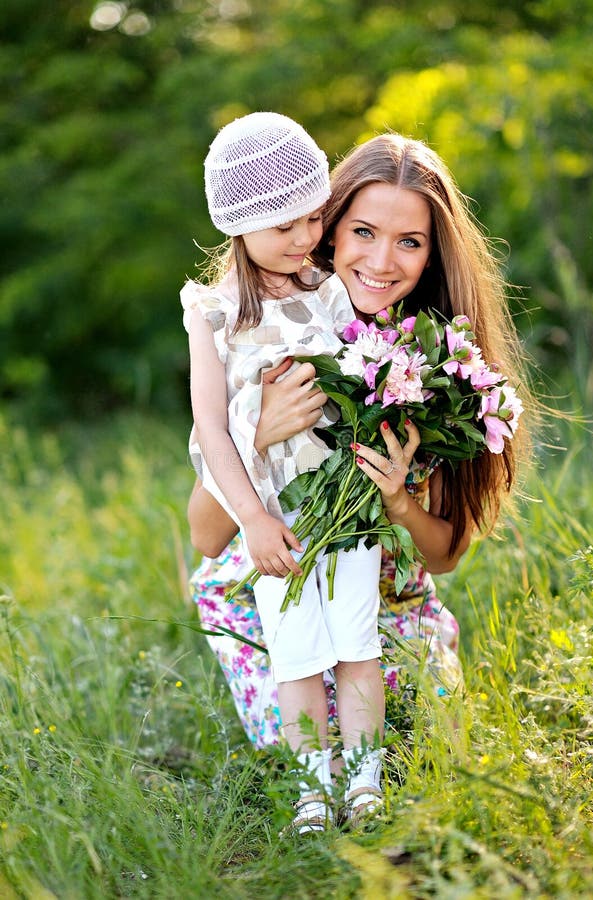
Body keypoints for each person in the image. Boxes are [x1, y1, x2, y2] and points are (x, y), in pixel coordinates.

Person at [185, 132, 532, 832]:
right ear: (329, 226)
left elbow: (444, 554)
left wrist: (400, 499)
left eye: (410, 241)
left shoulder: (440, 362)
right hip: (276, 567)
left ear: (435, 253)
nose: (381, 261)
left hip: (389, 596)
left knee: (409, 734)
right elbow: (205, 531)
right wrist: (259, 434)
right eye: (363, 231)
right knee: (312, 711)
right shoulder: (274, 331)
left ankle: (364, 772)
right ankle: (319, 785)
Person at [182, 113, 392, 833]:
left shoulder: (332, 290)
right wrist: (254, 520)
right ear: (238, 228)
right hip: (275, 520)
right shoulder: (212, 315)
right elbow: (209, 428)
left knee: (358, 645)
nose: (305, 239)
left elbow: (368, 377)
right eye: (284, 229)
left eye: (312, 218)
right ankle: (313, 789)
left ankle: (365, 780)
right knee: (298, 659)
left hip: (347, 504)